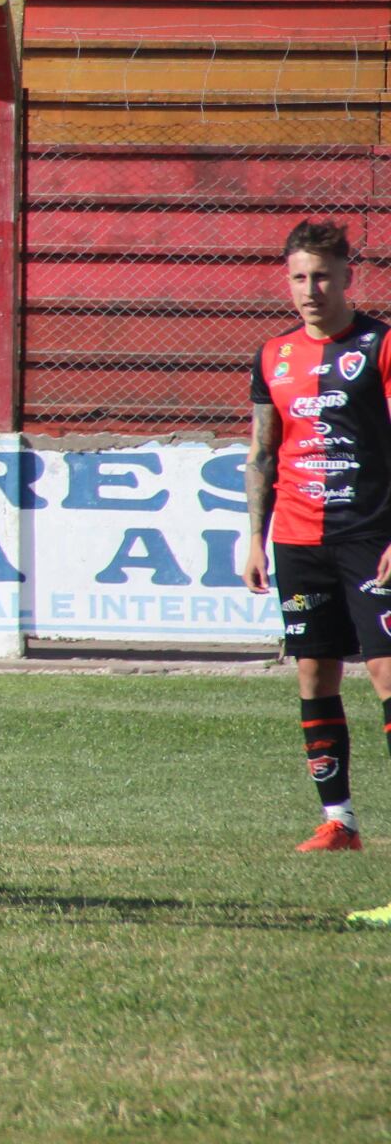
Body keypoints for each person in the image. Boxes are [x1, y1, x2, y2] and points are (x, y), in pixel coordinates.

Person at [241, 220, 391, 859]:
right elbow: (261, 452)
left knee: (387, 670)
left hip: (369, 534)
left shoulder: (382, 346)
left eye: (322, 275)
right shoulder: (273, 354)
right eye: (299, 277)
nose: (311, 289)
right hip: (299, 538)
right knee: (313, 671)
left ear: (348, 277)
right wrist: (255, 537)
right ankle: (340, 823)